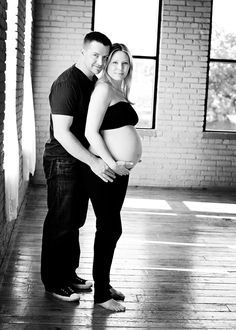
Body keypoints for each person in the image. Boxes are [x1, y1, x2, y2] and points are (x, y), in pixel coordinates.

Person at [41, 32, 130, 302]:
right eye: (95, 56)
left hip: (79, 161)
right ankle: (54, 282)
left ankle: (68, 274)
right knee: (61, 220)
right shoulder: (67, 83)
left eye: (105, 57)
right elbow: (63, 133)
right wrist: (95, 161)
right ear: (82, 52)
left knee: (75, 220)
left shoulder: (93, 83)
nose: (100, 62)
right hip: (62, 160)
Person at [83, 43, 142, 312]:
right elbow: (91, 132)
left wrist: (123, 163)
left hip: (118, 171)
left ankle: (104, 286)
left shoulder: (118, 89)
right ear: (107, 64)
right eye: (115, 62)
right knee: (109, 229)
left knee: (110, 228)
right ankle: (101, 296)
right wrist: (111, 163)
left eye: (125, 63)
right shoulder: (104, 88)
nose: (120, 68)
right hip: (105, 171)